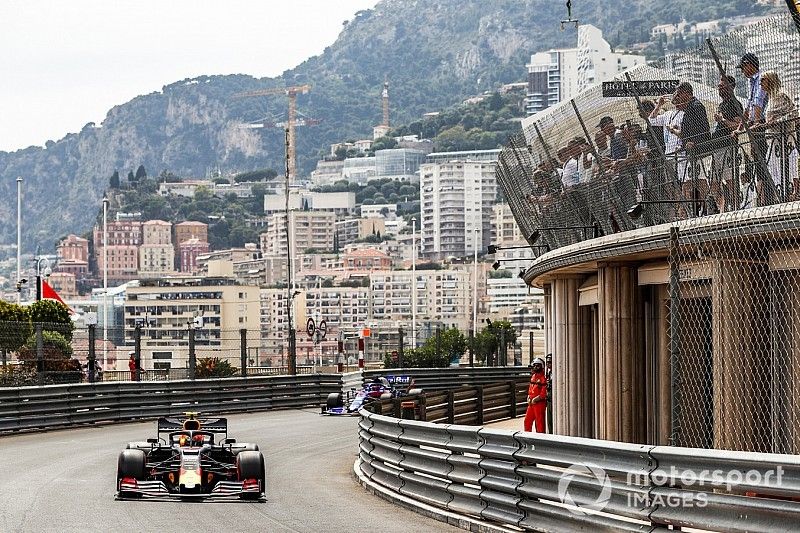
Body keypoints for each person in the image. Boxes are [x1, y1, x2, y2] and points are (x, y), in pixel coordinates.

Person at [736, 52, 773, 205]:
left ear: (749, 65)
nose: (742, 71)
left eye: (743, 68)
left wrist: (756, 124)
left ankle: (766, 198)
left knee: (763, 159)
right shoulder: (751, 82)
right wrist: (740, 128)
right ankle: (762, 198)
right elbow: (748, 108)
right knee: (758, 160)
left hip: (761, 125)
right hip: (754, 126)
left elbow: (758, 103)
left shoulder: (760, 80)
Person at [673, 82, 711, 217]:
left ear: (685, 93)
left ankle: (709, 206)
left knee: (701, 181)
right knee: (692, 181)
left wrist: (694, 142)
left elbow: (703, 128)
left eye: (679, 93)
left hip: (700, 150)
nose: (677, 96)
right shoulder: (688, 108)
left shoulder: (696, 106)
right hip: (691, 152)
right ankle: (698, 209)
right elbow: (688, 131)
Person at [759, 71, 798, 202]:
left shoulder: (781, 95)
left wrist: (776, 122)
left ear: (770, 81)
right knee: (773, 167)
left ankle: (795, 192)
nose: (760, 83)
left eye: (763, 80)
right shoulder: (769, 98)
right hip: (774, 140)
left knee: (791, 166)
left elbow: (794, 114)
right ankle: (781, 193)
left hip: (785, 139)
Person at [710, 75, 744, 212]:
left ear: (731, 87)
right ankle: (721, 208)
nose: (719, 88)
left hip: (727, 147)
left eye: (722, 86)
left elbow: (738, 125)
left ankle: (737, 207)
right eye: (719, 86)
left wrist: (722, 120)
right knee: (714, 182)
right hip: (717, 148)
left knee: (730, 180)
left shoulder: (735, 103)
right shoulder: (721, 104)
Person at [524, 357, 547, 433]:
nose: (535, 367)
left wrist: (536, 399)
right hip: (531, 403)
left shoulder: (543, 378)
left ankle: (540, 440)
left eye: (538, 366)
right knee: (527, 420)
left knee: (539, 423)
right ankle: (527, 437)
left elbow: (543, 393)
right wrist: (528, 397)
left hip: (539, 403)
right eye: (534, 365)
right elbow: (531, 388)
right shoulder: (533, 377)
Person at [544, 354, 553, 434]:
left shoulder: (554, 373)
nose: (548, 364)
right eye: (547, 363)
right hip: (549, 399)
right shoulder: (548, 373)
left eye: (550, 362)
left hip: (553, 399)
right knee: (549, 421)